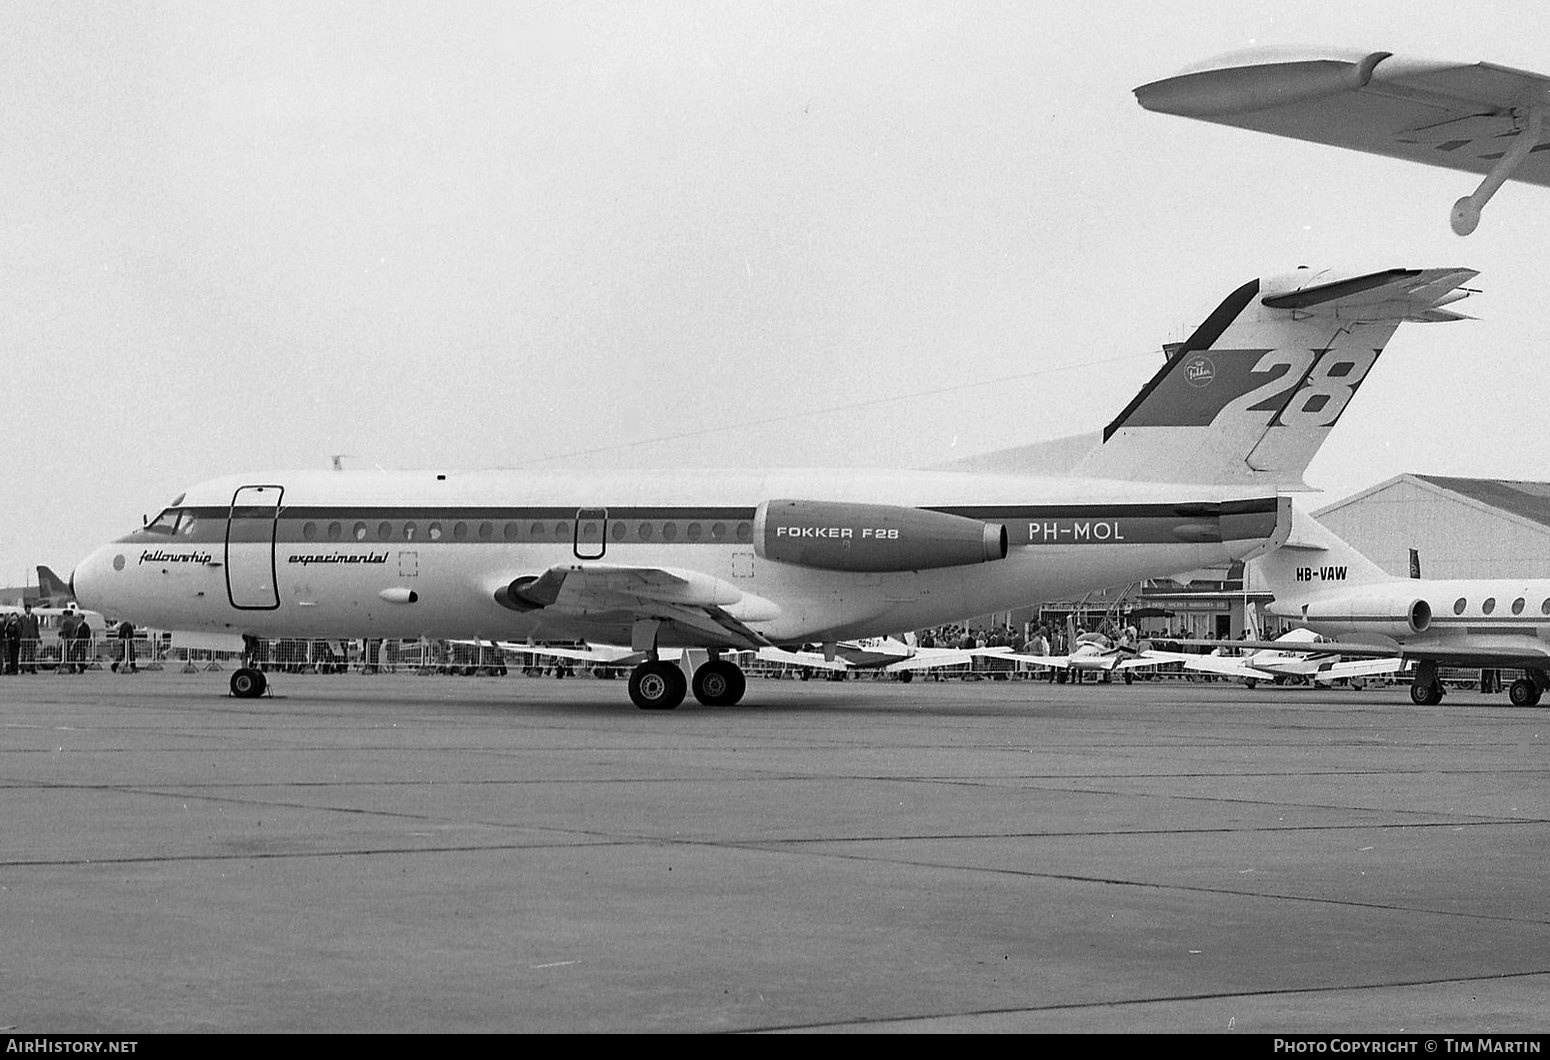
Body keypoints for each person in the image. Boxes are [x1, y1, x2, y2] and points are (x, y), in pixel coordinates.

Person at [19, 605, 39, 673]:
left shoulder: (34, 617)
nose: (28, 610)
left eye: (29, 609)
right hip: (24, 637)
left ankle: (32, 668)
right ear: (25, 610)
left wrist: (37, 637)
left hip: (32, 637)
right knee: (23, 653)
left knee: (32, 653)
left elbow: (36, 628)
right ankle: (22, 668)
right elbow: (20, 628)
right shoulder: (21, 618)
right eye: (27, 609)